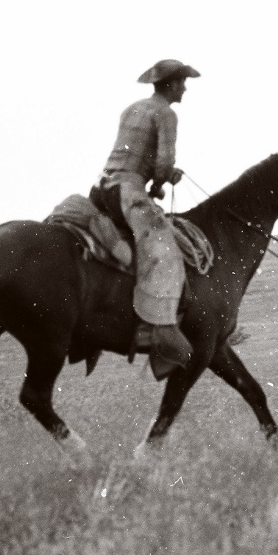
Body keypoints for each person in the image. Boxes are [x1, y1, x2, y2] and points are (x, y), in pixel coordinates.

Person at [91, 58, 200, 379]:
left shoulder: (133, 108)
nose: (185, 88)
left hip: (104, 187)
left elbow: (134, 154)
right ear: (170, 84)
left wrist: (156, 175)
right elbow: (164, 162)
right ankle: (157, 328)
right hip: (130, 191)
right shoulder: (166, 113)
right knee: (165, 253)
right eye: (181, 82)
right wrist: (161, 180)